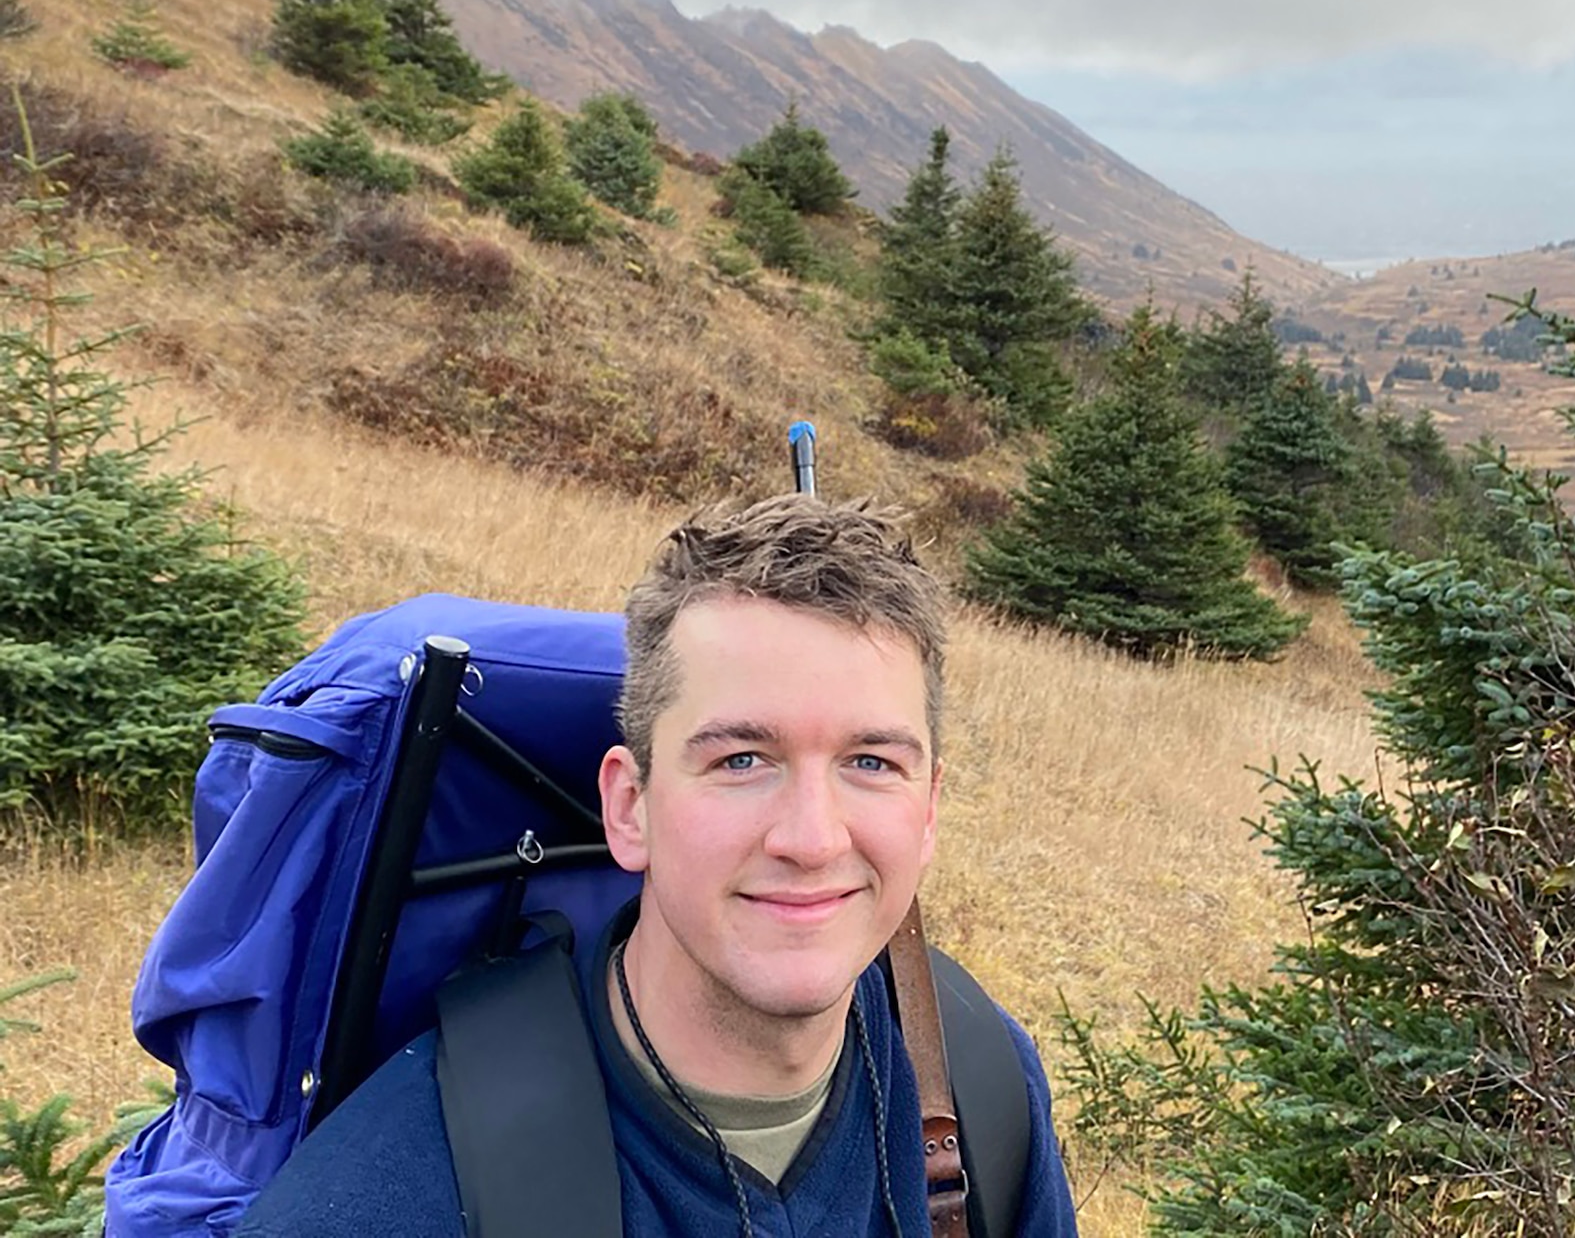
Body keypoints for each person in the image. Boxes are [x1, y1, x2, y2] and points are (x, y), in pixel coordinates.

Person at [239, 495, 1080, 1236]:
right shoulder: (390, 1201)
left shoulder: (979, 1080)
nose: (813, 839)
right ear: (630, 807)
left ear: (928, 809)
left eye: (870, 763)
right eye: (743, 760)